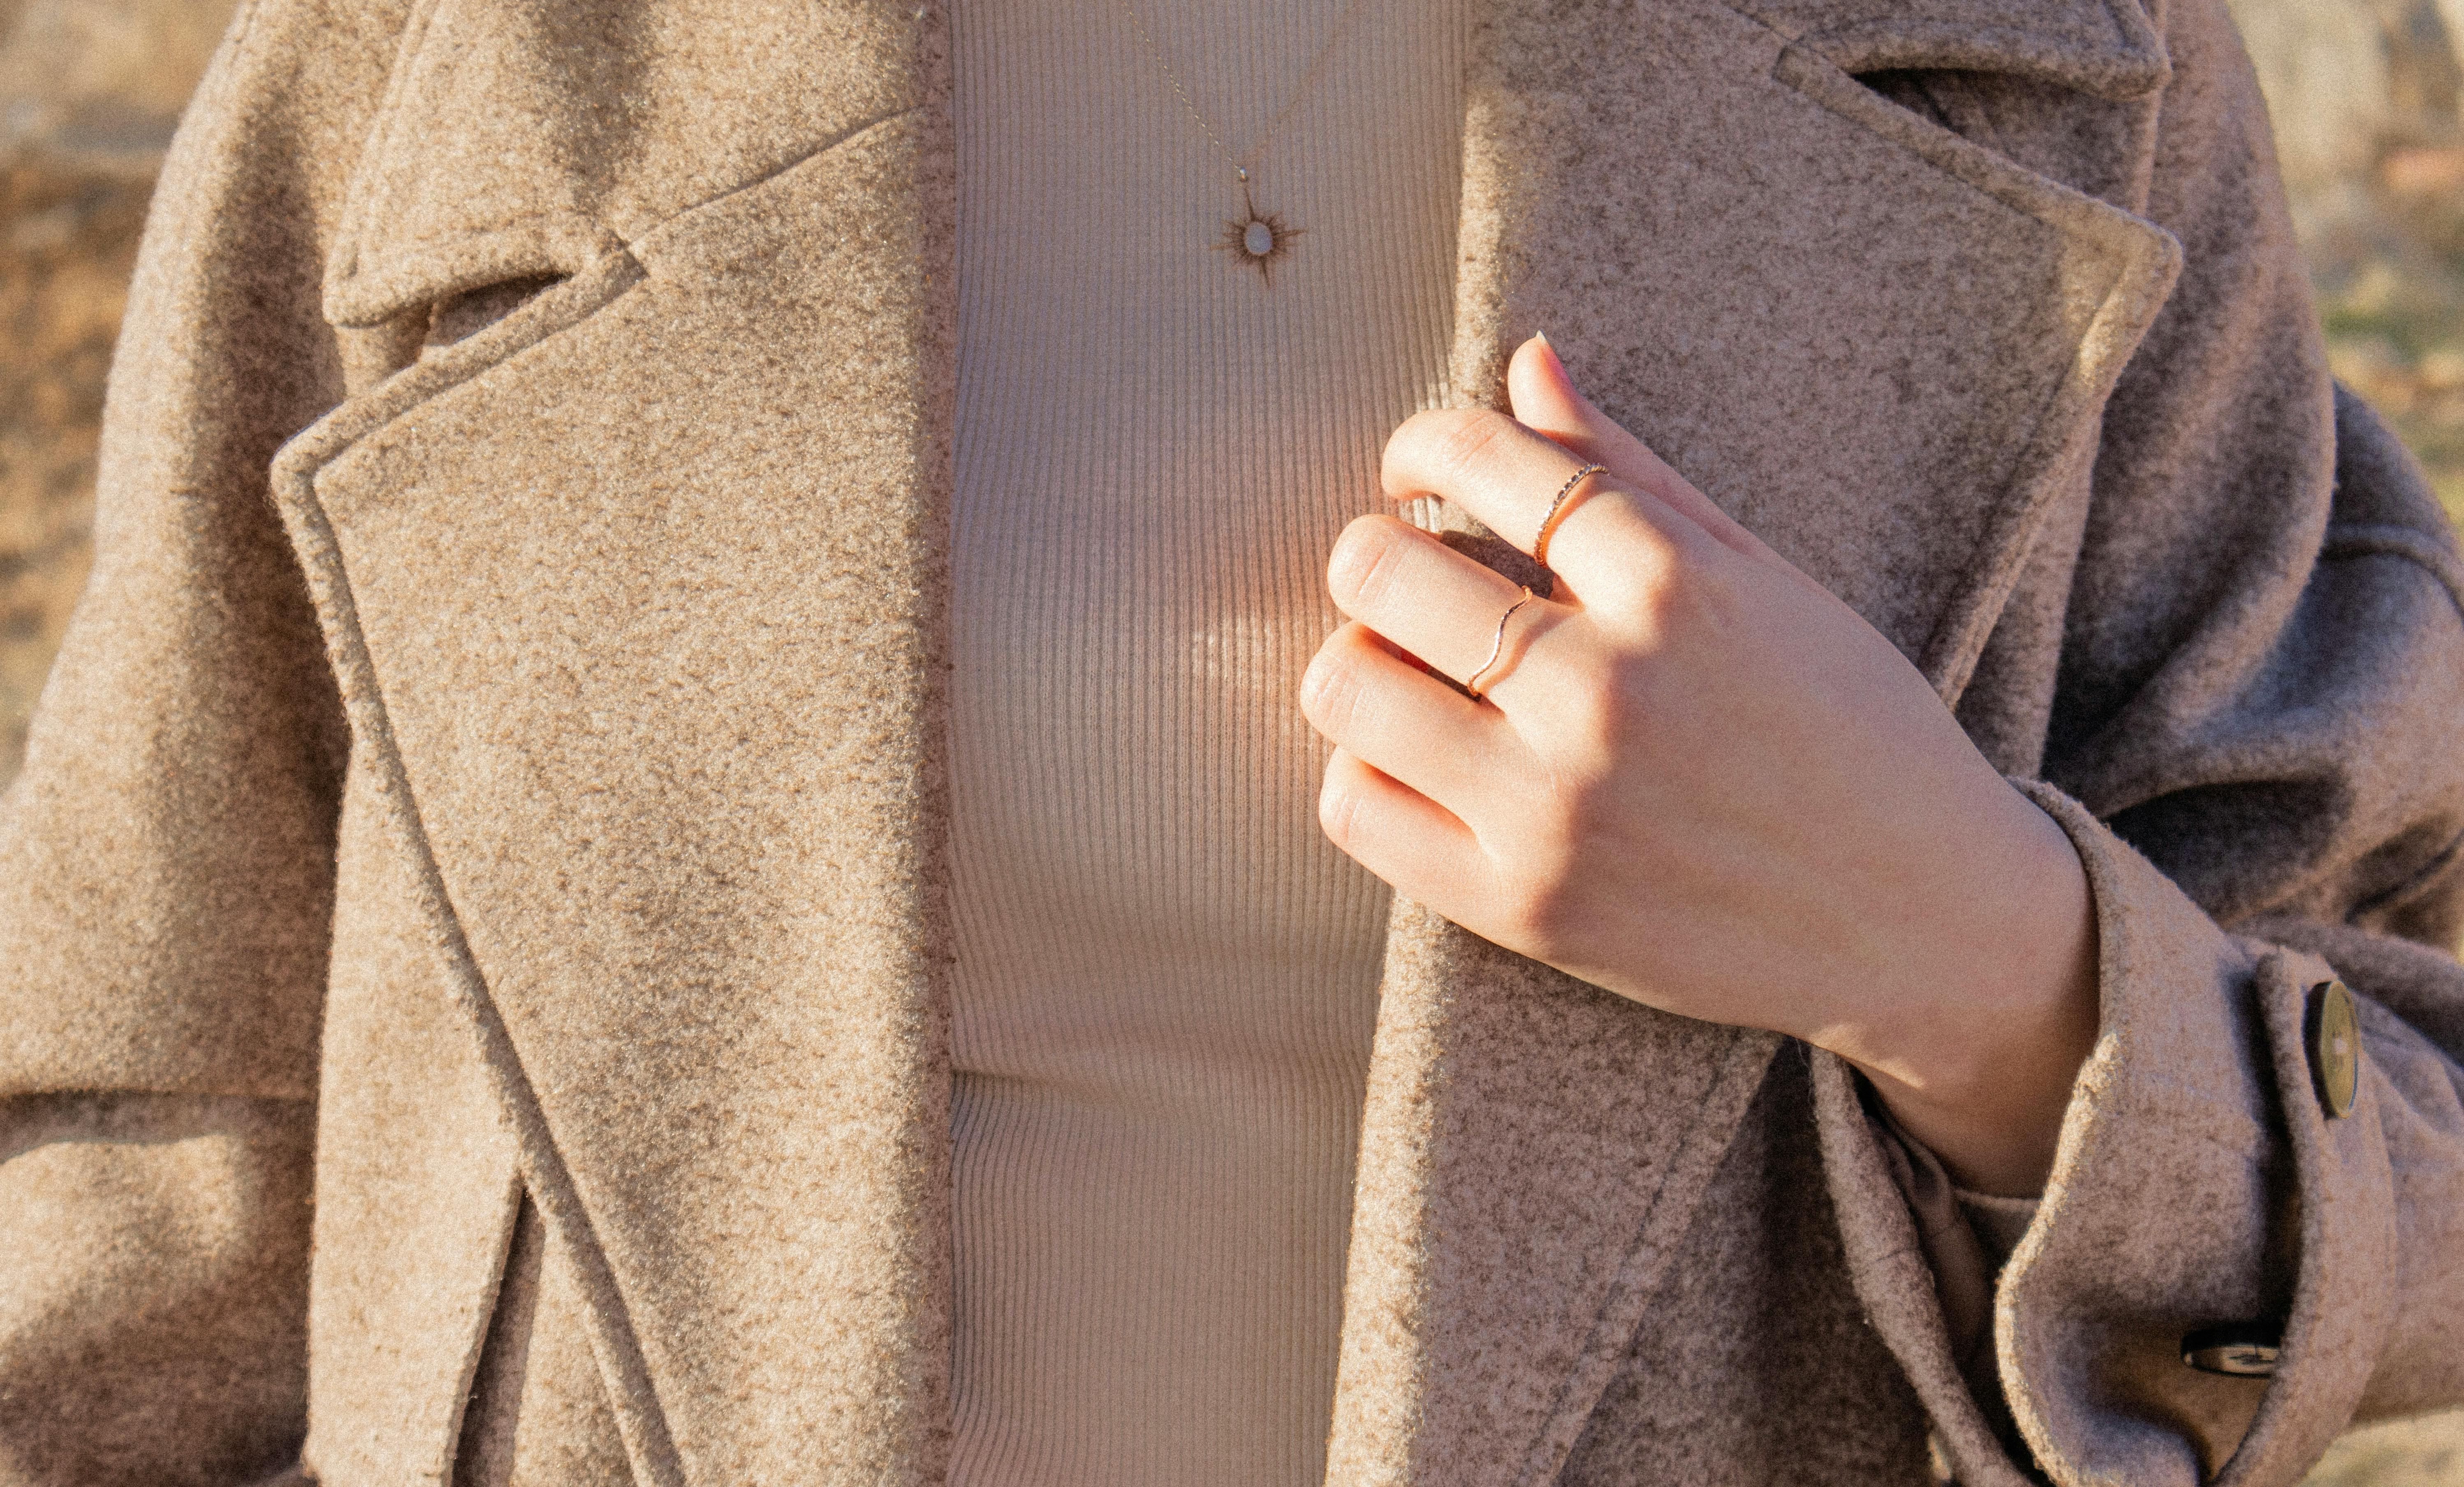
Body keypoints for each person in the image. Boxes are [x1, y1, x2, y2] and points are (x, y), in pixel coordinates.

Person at [1, 0, 2459, 1480]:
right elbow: (139, 1163)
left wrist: (1970, 959)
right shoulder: (439, 58)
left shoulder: (2062, 62)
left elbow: (2406, 1107)